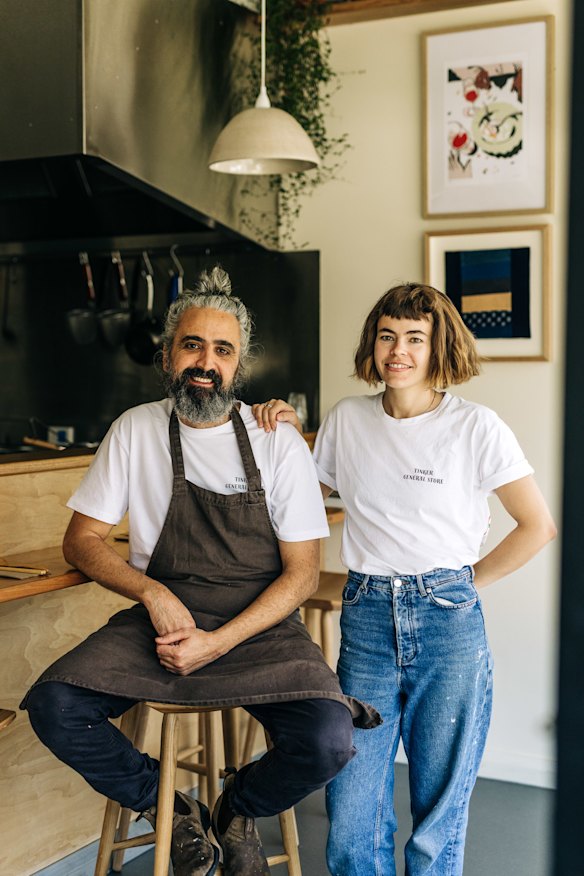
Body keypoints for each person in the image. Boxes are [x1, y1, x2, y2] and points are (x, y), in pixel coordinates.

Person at [21, 266, 379, 876]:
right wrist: (152, 593)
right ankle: (168, 805)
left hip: (259, 626)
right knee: (55, 706)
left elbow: (300, 574)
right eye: (192, 345)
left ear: (240, 364)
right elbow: (81, 541)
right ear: (167, 355)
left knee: (328, 740)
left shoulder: (275, 440)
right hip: (163, 624)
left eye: (223, 350)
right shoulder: (134, 429)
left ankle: (238, 807)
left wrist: (218, 642)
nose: (206, 362)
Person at [253, 282, 556, 876]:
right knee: (351, 808)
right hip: (366, 618)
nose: (398, 351)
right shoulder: (347, 419)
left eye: (415, 338)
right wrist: (286, 437)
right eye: (387, 336)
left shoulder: (476, 426)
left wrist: (462, 585)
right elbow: (298, 505)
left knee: (438, 814)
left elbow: (537, 526)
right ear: (373, 343)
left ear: (438, 346)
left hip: (448, 623)